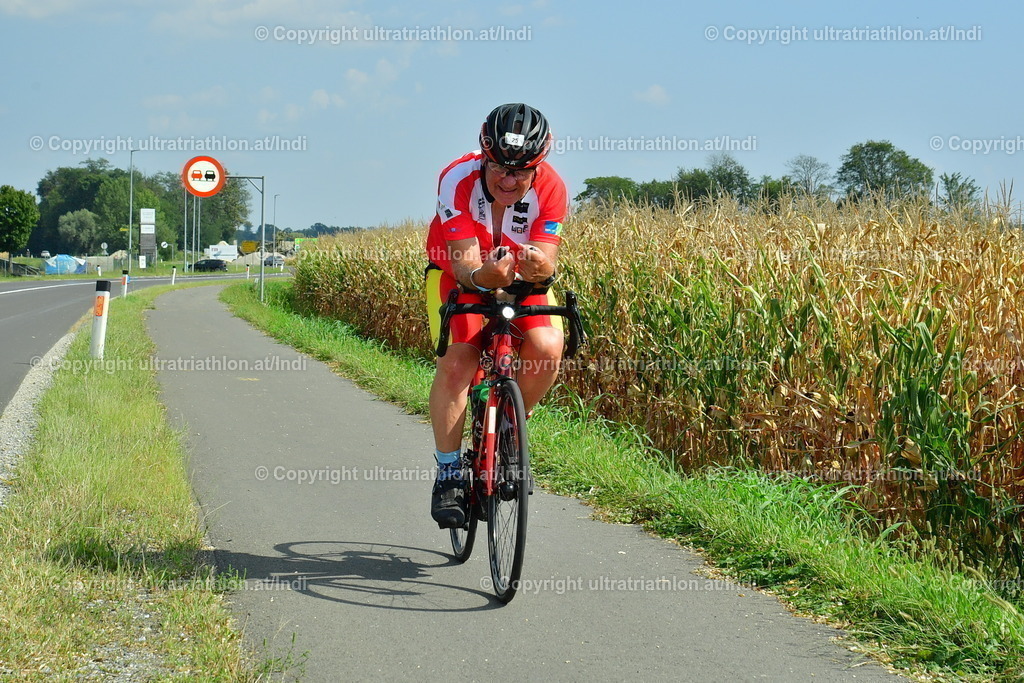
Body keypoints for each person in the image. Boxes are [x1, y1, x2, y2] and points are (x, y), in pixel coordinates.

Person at [424, 103, 568, 528]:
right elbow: (466, 266)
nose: (509, 180)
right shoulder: (456, 180)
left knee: (546, 347)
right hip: (457, 275)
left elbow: (546, 261)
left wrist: (543, 269)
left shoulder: (553, 188)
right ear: (484, 157)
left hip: (521, 282)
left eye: (521, 172)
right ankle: (449, 472)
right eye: (500, 168)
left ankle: (508, 432)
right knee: (458, 362)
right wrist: (485, 276)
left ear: (538, 167)